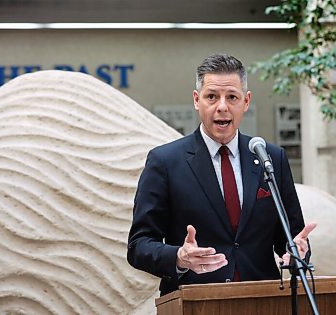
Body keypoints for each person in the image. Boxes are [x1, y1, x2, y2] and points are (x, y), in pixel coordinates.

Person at [127, 53, 316, 296]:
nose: (222, 106)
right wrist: (179, 257)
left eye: (232, 97)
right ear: (197, 100)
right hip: (196, 301)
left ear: (246, 102)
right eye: (212, 97)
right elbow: (138, 246)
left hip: (262, 299)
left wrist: (297, 253)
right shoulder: (165, 161)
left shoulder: (271, 157)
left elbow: (291, 237)